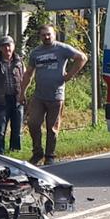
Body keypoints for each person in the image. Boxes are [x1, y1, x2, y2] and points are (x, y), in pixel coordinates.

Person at [19, 24, 88, 165]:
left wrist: (69, 75)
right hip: (39, 95)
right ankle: (37, 153)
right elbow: (28, 74)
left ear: (54, 35)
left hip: (56, 96)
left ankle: (50, 156)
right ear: (40, 36)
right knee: (33, 123)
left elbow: (82, 58)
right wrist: (22, 92)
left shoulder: (62, 49)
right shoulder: (36, 53)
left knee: (52, 127)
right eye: (44, 35)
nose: (47, 37)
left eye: (49, 34)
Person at [0, 35, 24, 155]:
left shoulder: (19, 62)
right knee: (1, 129)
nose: (7, 48)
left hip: (17, 98)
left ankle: (15, 150)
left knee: (17, 128)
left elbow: (26, 78)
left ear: (13, 46)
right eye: (4, 46)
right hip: (1, 100)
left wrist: (24, 93)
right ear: (0, 48)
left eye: (9, 45)